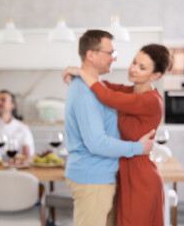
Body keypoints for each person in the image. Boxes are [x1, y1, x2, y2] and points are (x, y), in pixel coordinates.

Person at [62, 43, 172, 226]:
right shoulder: (130, 91)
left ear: (155, 75)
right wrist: (77, 71)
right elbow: (104, 86)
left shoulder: (151, 101)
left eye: (142, 67)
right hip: (122, 172)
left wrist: (81, 73)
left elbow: (106, 96)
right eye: (134, 62)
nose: (133, 69)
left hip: (140, 177)